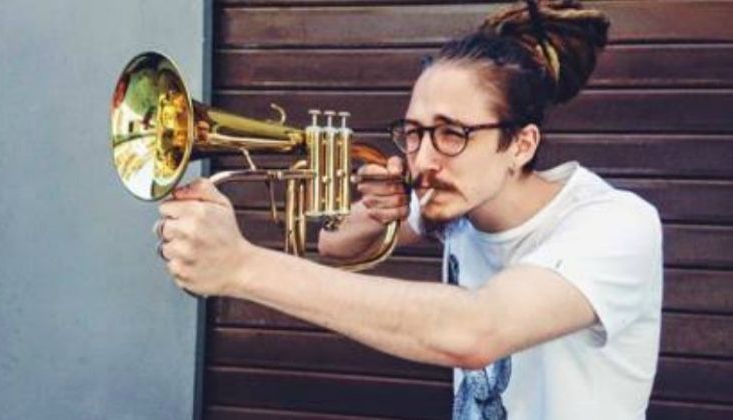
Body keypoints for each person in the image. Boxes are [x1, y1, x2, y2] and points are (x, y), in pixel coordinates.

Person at [153, 1, 663, 418]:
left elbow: (477, 331)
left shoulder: (614, 224)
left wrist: (241, 265)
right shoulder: (456, 198)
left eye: (452, 133)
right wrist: (378, 213)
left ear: (521, 144)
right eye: (415, 133)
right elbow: (334, 245)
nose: (423, 159)